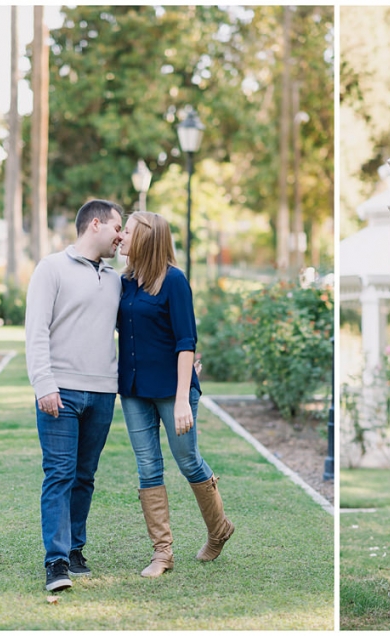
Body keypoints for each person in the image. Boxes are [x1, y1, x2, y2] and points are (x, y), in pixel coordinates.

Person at [117, 211, 234, 578]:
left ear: (147, 239)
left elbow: (186, 343)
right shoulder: (124, 283)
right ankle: (162, 553)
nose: (120, 236)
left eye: (128, 232)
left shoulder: (175, 281)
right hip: (134, 389)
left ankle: (219, 531)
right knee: (148, 466)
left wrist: (184, 398)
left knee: (188, 461)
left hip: (173, 390)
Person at [25, 199, 124, 592]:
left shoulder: (116, 278)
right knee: (60, 475)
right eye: (118, 227)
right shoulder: (51, 268)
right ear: (95, 224)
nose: (121, 236)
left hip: (102, 393)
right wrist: (44, 384)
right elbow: (36, 331)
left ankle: (76, 549)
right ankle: (57, 561)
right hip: (60, 392)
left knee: (85, 477)